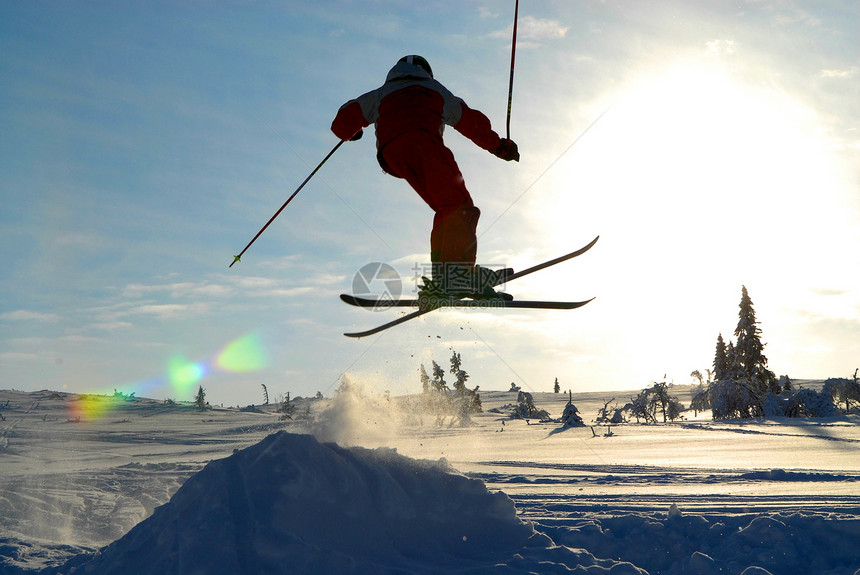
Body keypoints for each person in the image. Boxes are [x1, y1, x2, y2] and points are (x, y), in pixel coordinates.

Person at [331, 55, 519, 300]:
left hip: (391, 155)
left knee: (445, 208)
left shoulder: (380, 94)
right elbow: (470, 122)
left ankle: (447, 277)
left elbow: (345, 118)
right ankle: (457, 277)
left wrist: (350, 133)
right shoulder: (434, 89)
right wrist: (499, 147)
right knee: (458, 206)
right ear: (426, 72)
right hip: (423, 143)